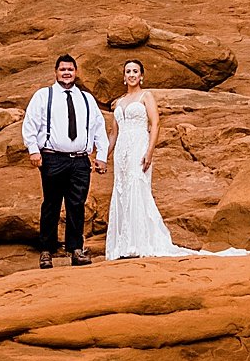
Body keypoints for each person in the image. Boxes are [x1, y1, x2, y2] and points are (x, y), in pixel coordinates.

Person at [22, 53, 109, 267]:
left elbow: (98, 128)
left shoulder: (86, 99)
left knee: (76, 205)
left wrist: (102, 156)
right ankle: (46, 251)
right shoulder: (44, 95)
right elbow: (30, 123)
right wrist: (33, 149)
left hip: (80, 160)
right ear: (56, 72)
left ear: (76, 72)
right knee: (51, 204)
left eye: (70, 69)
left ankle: (75, 249)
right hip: (53, 158)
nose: (67, 73)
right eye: (63, 69)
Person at [105, 56, 190, 259]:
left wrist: (149, 152)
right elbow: (114, 134)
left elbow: (156, 124)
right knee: (122, 190)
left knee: (137, 188)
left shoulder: (146, 96)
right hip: (121, 152)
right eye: (128, 71)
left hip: (139, 148)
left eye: (135, 71)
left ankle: (139, 242)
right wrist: (102, 156)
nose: (132, 75)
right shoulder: (119, 102)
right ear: (124, 77)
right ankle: (122, 245)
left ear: (141, 76)